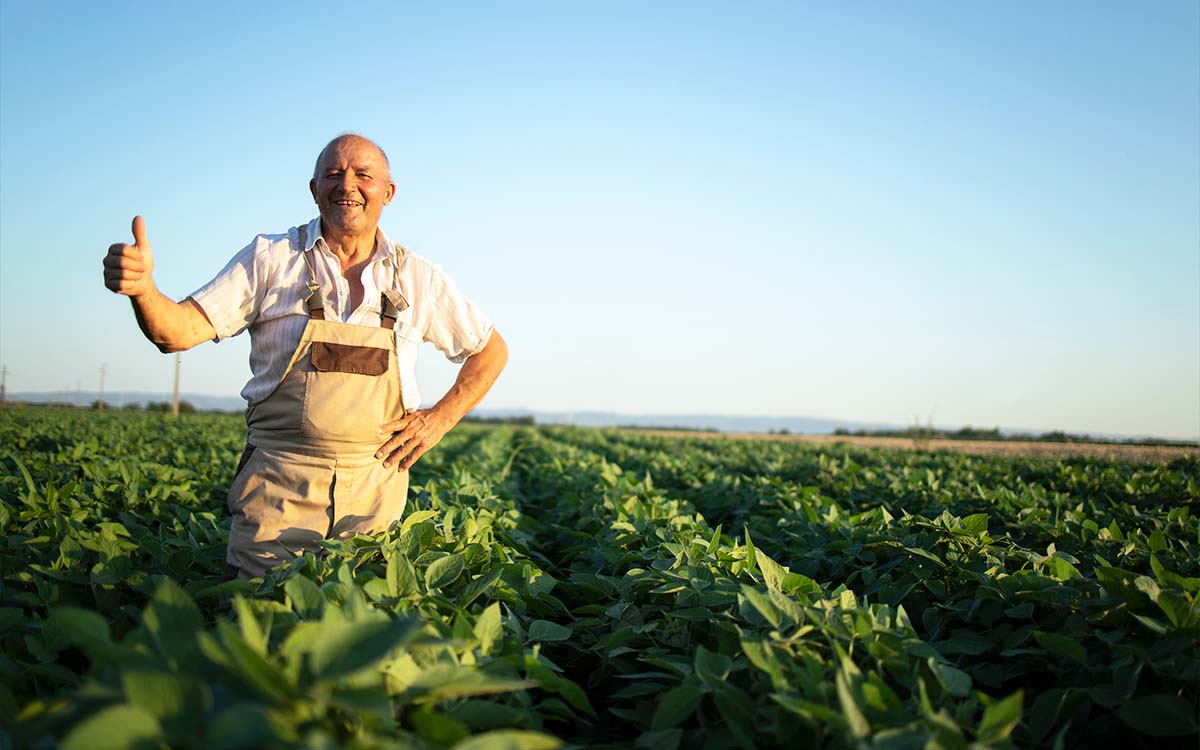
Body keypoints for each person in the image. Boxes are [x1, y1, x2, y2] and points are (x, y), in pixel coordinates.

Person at [102, 133, 508, 579]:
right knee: (258, 628)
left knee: (360, 635)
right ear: (314, 189)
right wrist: (143, 291)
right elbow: (176, 332)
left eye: (363, 176)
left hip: (375, 504)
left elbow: (490, 351)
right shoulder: (271, 259)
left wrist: (439, 420)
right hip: (276, 501)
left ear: (387, 193)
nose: (347, 185)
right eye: (333, 175)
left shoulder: (417, 277)